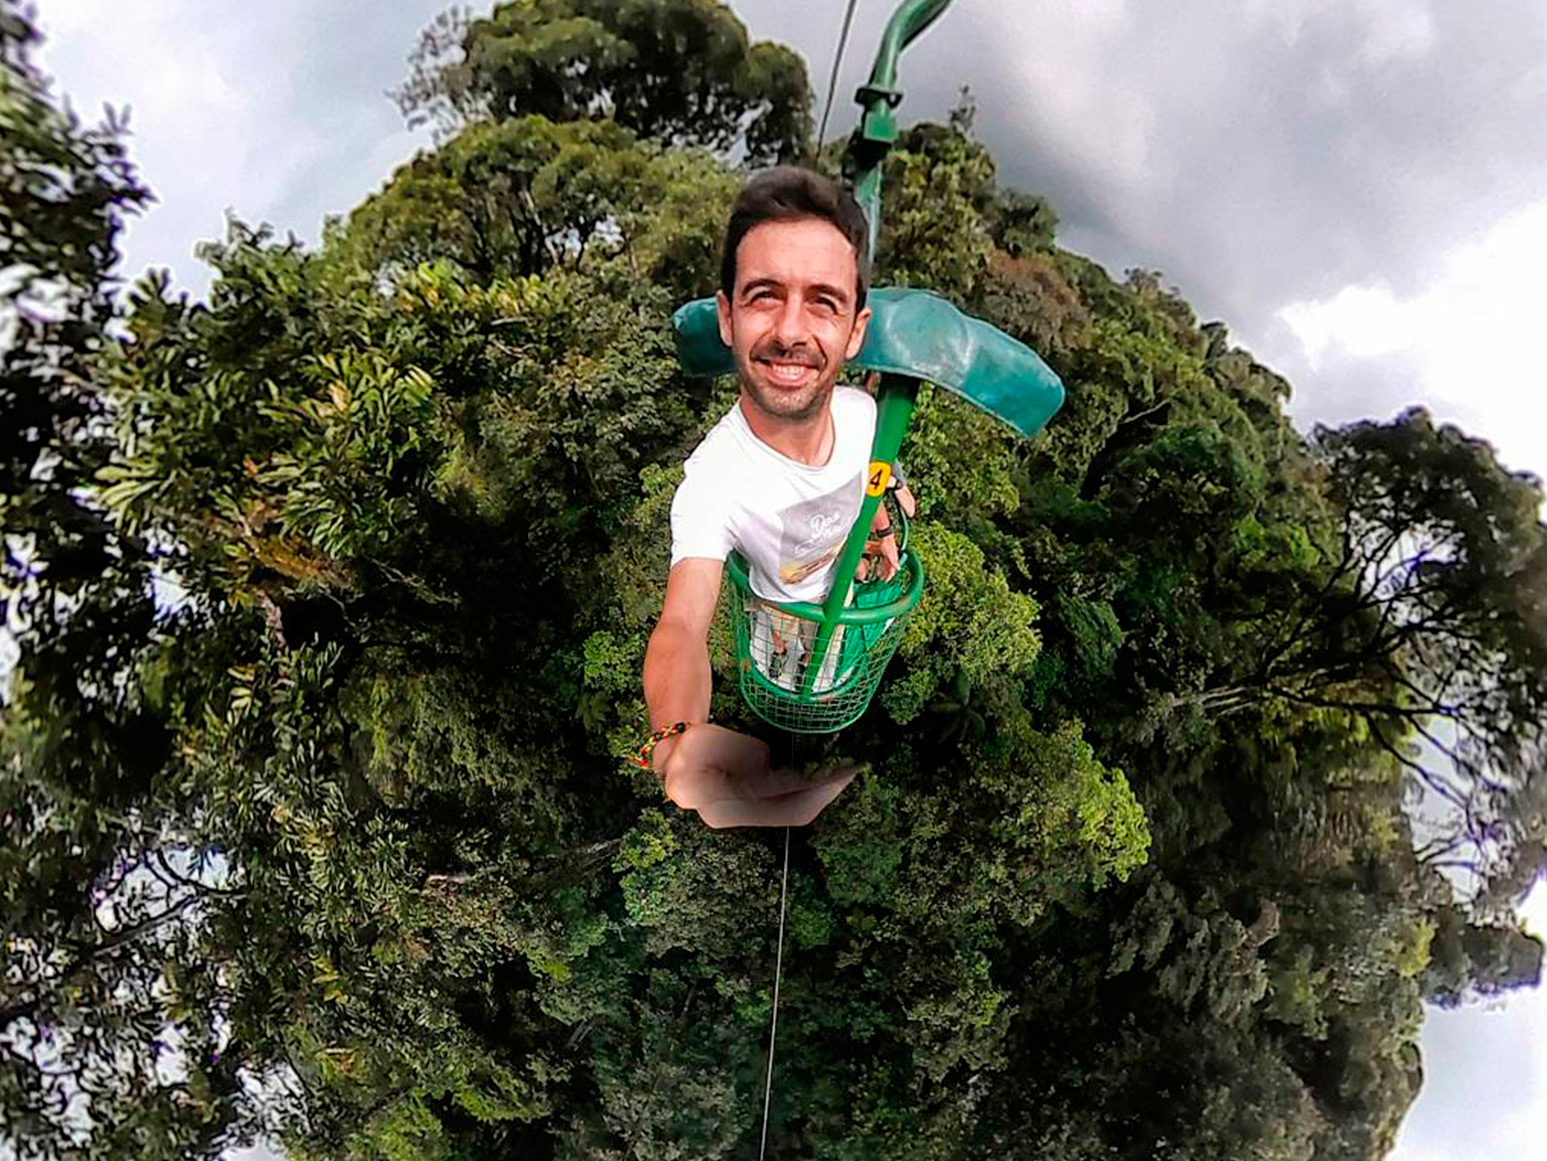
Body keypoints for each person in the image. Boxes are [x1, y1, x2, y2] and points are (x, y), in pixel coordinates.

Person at [638, 166, 898, 829]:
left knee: (830, 682)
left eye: (822, 301)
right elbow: (682, 626)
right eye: (762, 295)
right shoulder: (713, 481)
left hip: (843, 611)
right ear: (726, 316)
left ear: (855, 330)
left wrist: (882, 511)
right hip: (775, 630)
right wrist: (674, 742)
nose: (789, 330)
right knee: (789, 696)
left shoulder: (868, 416)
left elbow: (870, 473)